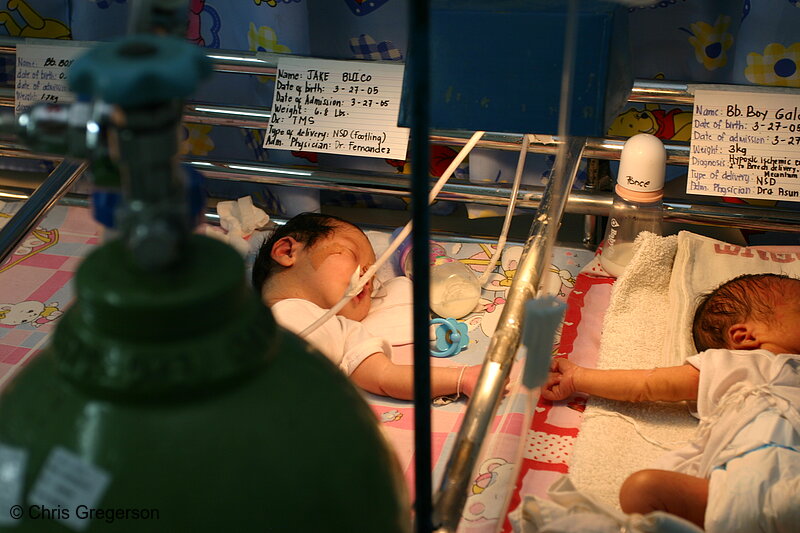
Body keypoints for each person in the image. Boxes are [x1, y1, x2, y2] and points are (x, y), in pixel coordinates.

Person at [541, 273, 800, 532]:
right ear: (745, 337)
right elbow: (647, 385)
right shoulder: (739, 366)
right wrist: (579, 377)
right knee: (642, 488)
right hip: (733, 495)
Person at [252, 212, 482, 401]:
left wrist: (462, 378)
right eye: (353, 255)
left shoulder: (342, 331)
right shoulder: (230, 304)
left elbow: (387, 377)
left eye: (373, 281)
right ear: (287, 252)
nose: (366, 275)